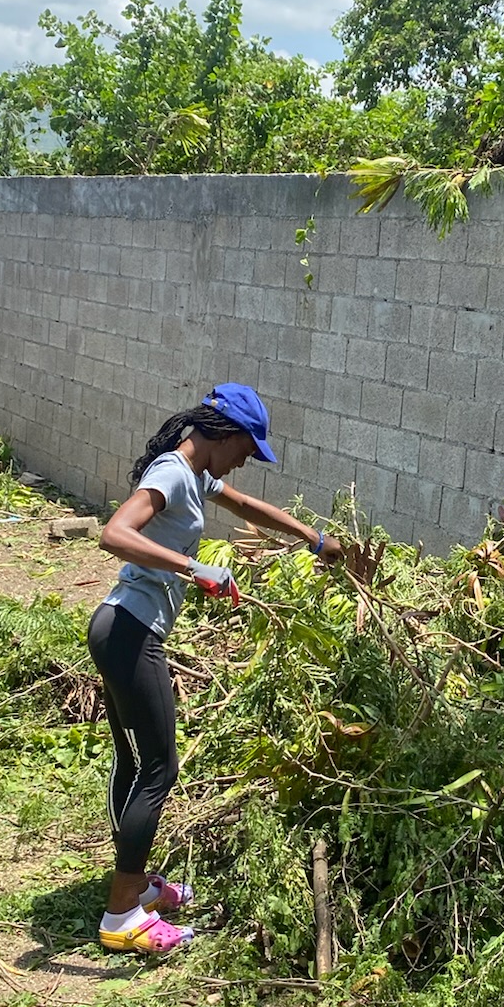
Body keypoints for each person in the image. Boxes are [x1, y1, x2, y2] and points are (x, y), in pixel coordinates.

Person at [88, 382, 346, 956]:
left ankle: (137, 885)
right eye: (246, 449)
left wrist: (313, 538)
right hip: (130, 634)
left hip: (122, 629)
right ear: (222, 434)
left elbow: (247, 507)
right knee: (159, 769)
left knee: (136, 763)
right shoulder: (172, 474)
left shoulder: (198, 475)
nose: (246, 459)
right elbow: (115, 533)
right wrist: (195, 567)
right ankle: (121, 915)